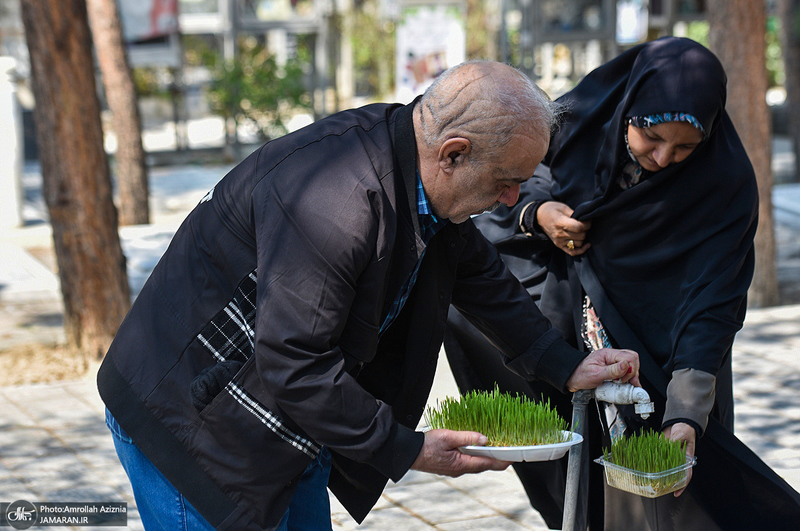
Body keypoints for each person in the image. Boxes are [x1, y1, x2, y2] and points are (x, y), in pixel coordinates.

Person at [97, 60, 641, 531]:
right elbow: (295, 363)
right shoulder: (339, 203)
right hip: (190, 417)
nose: (513, 198)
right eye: (507, 180)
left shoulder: (417, 161)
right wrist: (409, 449)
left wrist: (567, 365)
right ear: (453, 153)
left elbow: (480, 276)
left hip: (287, 416)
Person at [445, 37, 800, 530]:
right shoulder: (583, 119)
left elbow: (713, 303)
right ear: (628, 109)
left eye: (685, 148)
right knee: (583, 477)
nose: (663, 158)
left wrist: (686, 414)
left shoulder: (727, 184)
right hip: (578, 323)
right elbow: (529, 170)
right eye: (650, 138)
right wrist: (540, 212)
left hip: (670, 346)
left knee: (678, 495)